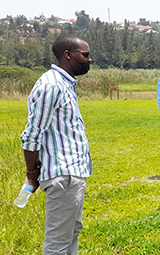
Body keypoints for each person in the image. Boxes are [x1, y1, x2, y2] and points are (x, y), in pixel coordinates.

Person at [20, 35, 93, 254]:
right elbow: (32, 135)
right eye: (85, 55)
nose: (89, 60)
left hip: (73, 174)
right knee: (58, 241)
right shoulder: (51, 86)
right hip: (63, 176)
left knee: (71, 232)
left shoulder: (65, 83)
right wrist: (32, 174)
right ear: (68, 55)